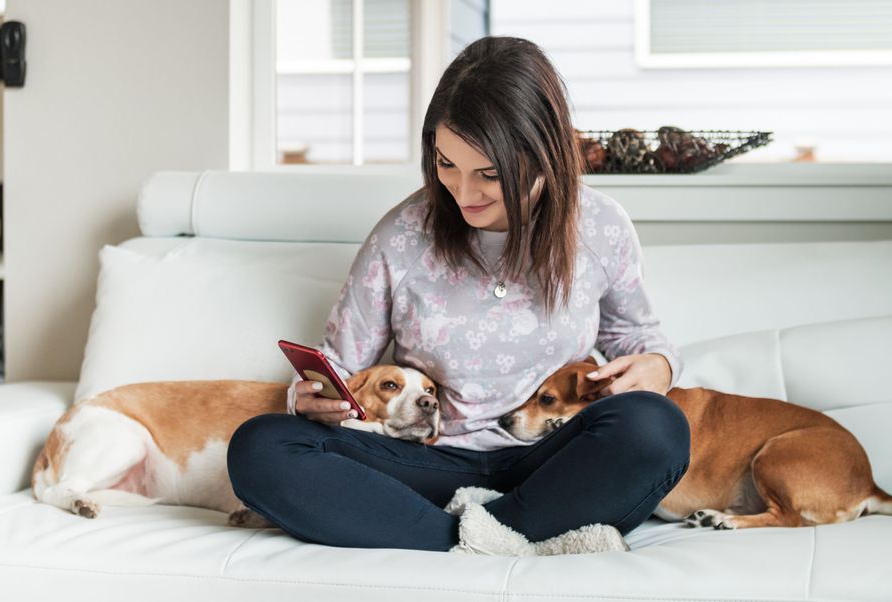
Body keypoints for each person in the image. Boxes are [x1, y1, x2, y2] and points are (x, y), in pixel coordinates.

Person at [226, 36, 690, 555]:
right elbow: (340, 366)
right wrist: (310, 398)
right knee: (261, 446)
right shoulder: (402, 234)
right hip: (424, 464)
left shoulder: (600, 227)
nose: (463, 194)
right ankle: (490, 539)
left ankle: (462, 534)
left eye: (489, 175)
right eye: (447, 165)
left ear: (543, 157)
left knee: (657, 427)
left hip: (552, 461)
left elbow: (636, 335)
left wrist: (659, 367)